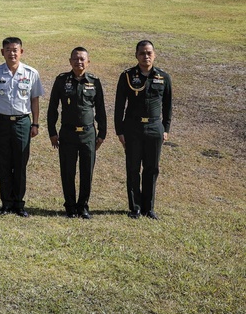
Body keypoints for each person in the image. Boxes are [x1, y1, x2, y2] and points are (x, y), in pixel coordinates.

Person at [0, 37, 44, 217]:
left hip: (22, 122)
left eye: (15, 49)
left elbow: (34, 100)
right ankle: (6, 203)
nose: (12, 53)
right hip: (1, 122)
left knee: (20, 164)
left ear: (21, 52)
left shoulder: (31, 73)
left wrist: (35, 123)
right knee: (3, 164)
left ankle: (19, 203)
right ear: (2, 52)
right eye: (8, 50)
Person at [115, 40, 172, 220]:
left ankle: (149, 207)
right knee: (133, 168)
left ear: (154, 54)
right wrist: (120, 130)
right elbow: (119, 106)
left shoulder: (163, 77)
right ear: (136, 55)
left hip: (155, 128)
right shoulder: (127, 76)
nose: (145, 56)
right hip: (133, 128)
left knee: (151, 168)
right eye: (142, 53)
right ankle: (135, 207)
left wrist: (166, 129)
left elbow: (168, 106)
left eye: (149, 53)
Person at [47, 47, 107, 219]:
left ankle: (83, 206)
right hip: (67, 134)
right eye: (75, 59)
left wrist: (102, 133)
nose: (78, 62)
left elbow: (101, 109)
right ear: (70, 61)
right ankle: (70, 206)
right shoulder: (61, 80)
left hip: (88, 134)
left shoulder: (94, 82)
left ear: (88, 62)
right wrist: (52, 131)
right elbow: (52, 108)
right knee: (68, 171)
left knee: (86, 172)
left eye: (82, 59)